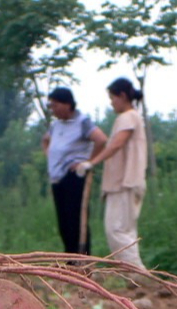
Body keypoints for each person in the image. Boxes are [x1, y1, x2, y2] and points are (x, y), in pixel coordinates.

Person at [73, 78, 148, 270]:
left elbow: (116, 144)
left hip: (125, 182)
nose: (111, 103)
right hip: (123, 182)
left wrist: (92, 162)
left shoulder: (128, 117)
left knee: (117, 230)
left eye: (112, 98)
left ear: (122, 96)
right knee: (123, 231)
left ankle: (137, 274)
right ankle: (133, 274)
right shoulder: (129, 117)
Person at [42, 87, 106, 256]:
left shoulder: (82, 121)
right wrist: (50, 156)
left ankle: (82, 259)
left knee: (76, 219)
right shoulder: (55, 125)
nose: (53, 109)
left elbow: (101, 139)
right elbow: (46, 141)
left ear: (67, 104)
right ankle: (70, 260)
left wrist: (88, 162)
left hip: (74, 175)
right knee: (63, 222)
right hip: (57, 177)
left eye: (55, 105)